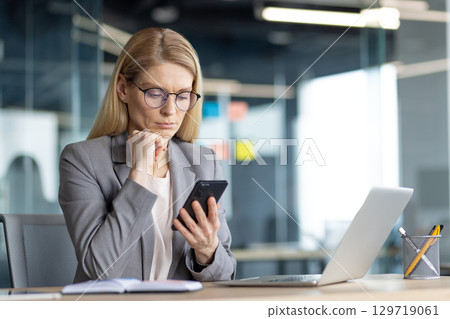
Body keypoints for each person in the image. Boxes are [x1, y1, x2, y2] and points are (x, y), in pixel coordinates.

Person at [58, 27, 236, 283]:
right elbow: (101, 269)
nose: (170, 111)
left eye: (183, 96)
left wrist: (207, 251)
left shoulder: (204, 164)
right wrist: (140, 176)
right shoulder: (82, 160)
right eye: (155, 93)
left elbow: (226, 276)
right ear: (122, 89)